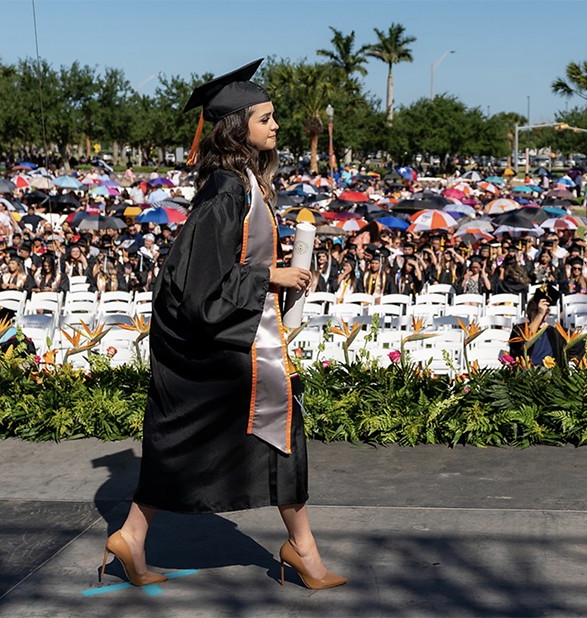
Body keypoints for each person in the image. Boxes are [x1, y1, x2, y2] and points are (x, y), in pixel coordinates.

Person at [105, 60, 346, 591]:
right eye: (265, 118)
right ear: (238, 128)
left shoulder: (241, 183)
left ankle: (132, 536)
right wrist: (270, 275)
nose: (275, 126)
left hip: (221, 334)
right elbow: (199, 284)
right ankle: (302, 550)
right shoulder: (225, 191)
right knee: (281, 427)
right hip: (213, 337)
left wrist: (268, 278)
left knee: (191, 437)